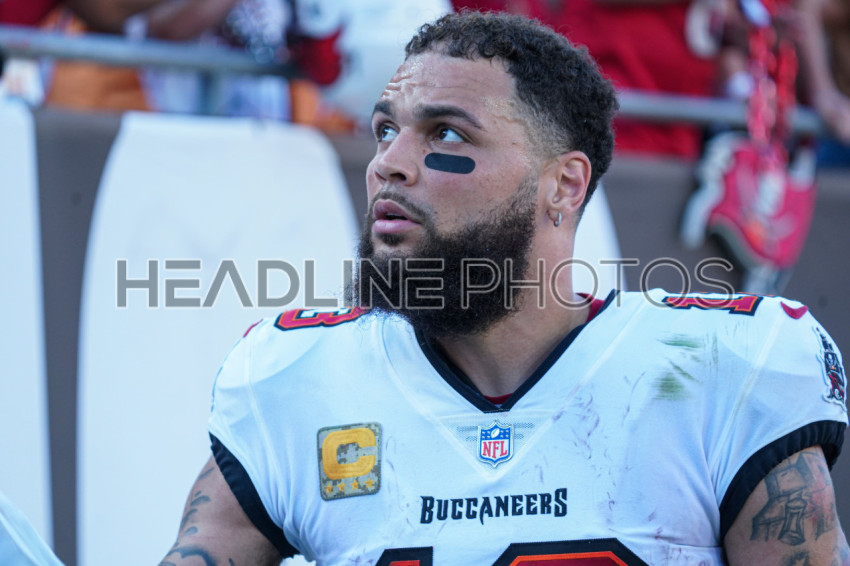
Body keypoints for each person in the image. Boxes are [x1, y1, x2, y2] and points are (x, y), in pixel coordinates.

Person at [161, 10, 849, 565]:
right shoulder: (297, 379)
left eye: (446, 133)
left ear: (564, 185)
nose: (389, 164)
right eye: (385, 130)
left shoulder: (723, 368)